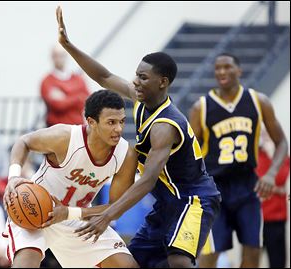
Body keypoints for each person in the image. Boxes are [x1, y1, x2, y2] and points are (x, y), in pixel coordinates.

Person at [54, 6, 221, 268]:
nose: (136, 81)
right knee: (135, 263)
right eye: (136, 75)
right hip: (167, 201)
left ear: (162, 82)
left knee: (178, 261)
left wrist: (108, 215)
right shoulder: (140, 98)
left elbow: (147, 180)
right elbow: (104, 76)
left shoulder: (165, 126)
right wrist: (68, 45)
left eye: (143, 77)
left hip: (192, 200)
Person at [2, 90, 139, 268]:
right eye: (111, 122)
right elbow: (24, 141)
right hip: (34, 209)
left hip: (77, 216)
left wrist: (69, 213)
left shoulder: (126, 155)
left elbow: (116, 207)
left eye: (122, 121)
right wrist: (13, 177)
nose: (119, 129)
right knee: (25, 264)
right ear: (91, 122)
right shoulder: (65, 138)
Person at [189, 53, 289, 268]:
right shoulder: (201, 107)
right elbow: (190, 153)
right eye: (218, 68)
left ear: (239, 70)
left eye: (227, 67)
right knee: (210, 253)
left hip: (247, 187)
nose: (222, 72)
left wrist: (270, 174)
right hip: (215, 190)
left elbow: (281, 142)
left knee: (253, 251)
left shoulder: (258, 101)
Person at [256, 125, 290, 268]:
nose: (265, 137)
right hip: (257, 217)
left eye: (267, 134)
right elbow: (257, 182)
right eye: (262, 134)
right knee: (251, 259)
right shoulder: (256, 156)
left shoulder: (282, 156)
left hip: (277, 217)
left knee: (278, 261)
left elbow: (281, 177)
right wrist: (277, 189)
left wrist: (272, 156)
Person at [40, 43, 91, 127]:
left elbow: (88, 100)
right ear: (52, 57)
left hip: (78, 127)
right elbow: (57, 105)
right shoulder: (46, 81)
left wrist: (66, 98)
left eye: (62, 55)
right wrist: (78, 97)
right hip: (56, 129)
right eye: (56, 55)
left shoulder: (78, 79)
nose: (59, 59)